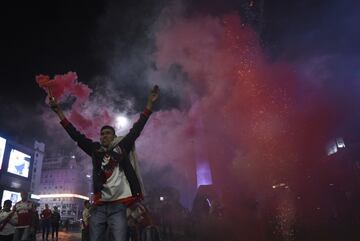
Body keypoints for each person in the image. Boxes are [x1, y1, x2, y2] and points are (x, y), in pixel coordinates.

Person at [49, 85, 159, 241]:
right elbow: (76, 136)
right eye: (102, 134)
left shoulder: (122, 147)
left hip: (119, 206)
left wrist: (149, 104)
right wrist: (59, 112)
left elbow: (137, 129)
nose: (104, 136)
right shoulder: (95, 150)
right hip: (100, 205)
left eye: (108, 134)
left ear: (114, 137)